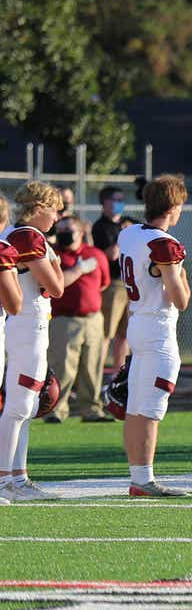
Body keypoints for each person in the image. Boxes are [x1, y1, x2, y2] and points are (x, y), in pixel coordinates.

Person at [115, 175, 190, 497]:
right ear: (173, 206)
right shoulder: (165, 245)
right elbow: (181, 299)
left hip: (137, 323)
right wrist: (183, 273)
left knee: (136, 405)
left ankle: (139, 476)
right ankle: (144, 479)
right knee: (151, 407)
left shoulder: (129, 233)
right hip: (158, 329)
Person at [0, 183, 62, 502]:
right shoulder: (27, 236)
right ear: (39, 208)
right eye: (54, 209)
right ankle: (4, 479)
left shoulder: (20, 234)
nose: (57, 217)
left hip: (26, 322)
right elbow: (56, 285)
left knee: (25, 405)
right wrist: (55, 262)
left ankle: (17, 477)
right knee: (19, 404)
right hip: (26, 321)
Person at [46, 215, 111, 423]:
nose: (64, 233)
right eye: (61, 229)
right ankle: (56, 409)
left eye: (69, 229)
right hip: (64, 320)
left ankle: (92, 409)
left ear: (81, 232)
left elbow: (104, 283)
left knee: (92, 367)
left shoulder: (96, 255)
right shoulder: (54, 255)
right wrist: (79, 270)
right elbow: (57, 283)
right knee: (63, 367)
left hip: (93, 319)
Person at [93, 186, 130, 379]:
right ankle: (96, 376)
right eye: (115, 199)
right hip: (113, 286)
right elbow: (111, 255)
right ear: (105, 202)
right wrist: (123, 235)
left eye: (121, 199)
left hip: (129, 283)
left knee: (125, 335)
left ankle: (119, 376)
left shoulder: (127, 222)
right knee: (106, 334)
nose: (119, 203)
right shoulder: (100, 227)